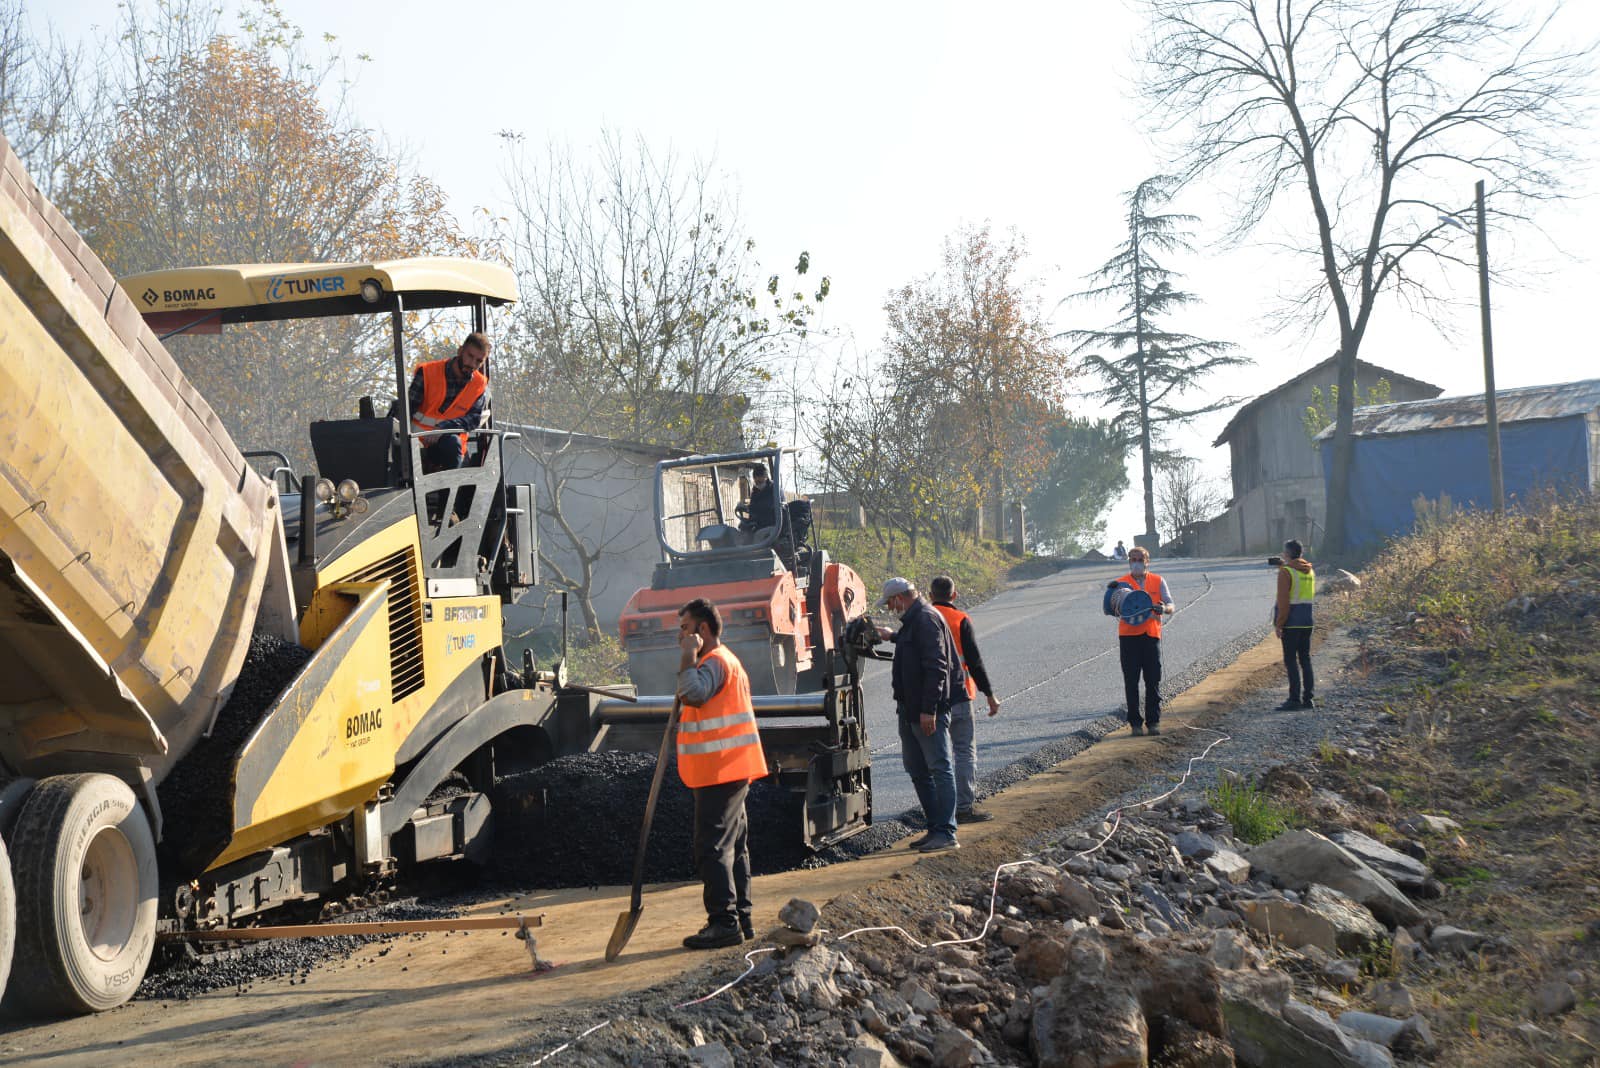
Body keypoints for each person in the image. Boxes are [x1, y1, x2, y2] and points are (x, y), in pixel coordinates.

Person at [675, 597, 768, 949]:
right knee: (735, 846)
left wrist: (688, 656)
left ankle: (723, 922)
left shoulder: (714, 662)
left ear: (702, 630)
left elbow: (694, 695)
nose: (680, 636)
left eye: (684, 629)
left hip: (720, 770)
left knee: (712, 847)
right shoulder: (724, 660)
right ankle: (741, 918)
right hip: (729, 767)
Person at [875, 577, 964, 852]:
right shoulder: (915, 622)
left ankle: (947, 832)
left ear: (900, 598)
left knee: (939, 767)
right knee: (917, 769)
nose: (891, 609)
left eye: (891, 603)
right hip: (909, 709)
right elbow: (913, 645)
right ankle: (935, 827)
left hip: (925, 711)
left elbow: (937, 667)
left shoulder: (925, 619)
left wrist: (929, 710)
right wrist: (892, 636)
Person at [928, 575, 1002, 824]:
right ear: (954, 595)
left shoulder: (922, 619)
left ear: (930, 595)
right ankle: (964, 807)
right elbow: (974, 661)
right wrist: (989, 694)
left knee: (937, 757)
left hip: (930, 700)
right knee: (963, 752)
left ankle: (940, 810)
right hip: (960, 696)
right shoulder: (960, 620)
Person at [1108, 546, 1174, 736]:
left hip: (1151, 636)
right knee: (1131, 681)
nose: (1136, 562)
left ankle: (1153, 722)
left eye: (1140, 559)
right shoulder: (1120, 584)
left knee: (1153, 679)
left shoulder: (1158, 581)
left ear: (1147, 561)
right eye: (1133, 559)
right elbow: (1110, 607)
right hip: (1129, 638)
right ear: (1129, 561)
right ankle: (1135, 723)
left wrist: (1165, 608)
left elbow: (1170, 604)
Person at [408, 332, 490, 473]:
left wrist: (443, 429)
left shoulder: (478, 384)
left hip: (452, 448)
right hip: (418, 443)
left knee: (452, 444)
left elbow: (474, 419)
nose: (472, 364)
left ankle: (450, 493)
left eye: (478, 361)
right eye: (470, 356)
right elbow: (407, 410)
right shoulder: (428, 373)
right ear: (460, 351)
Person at [1273, 539, 1316, 711]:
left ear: (1288, 554)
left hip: (1291, 623)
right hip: (1307, 621)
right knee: (1305, 659)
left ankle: (1294, 699)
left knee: (1291, 661)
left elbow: (1284, 602)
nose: (1282, 554)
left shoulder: (1286, 572)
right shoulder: (1309, 571)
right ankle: (1308, 699)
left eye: (1284, 552)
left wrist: (1279, 624)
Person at [738, 463, 781, 539]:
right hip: (759, 523)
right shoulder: (755, 492)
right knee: (742, 528)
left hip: (773, 524)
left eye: (760, 482)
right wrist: (744, 508)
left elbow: (767, 506)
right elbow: (753, 509)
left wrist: (749, 507)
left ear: (766, 477)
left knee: (756, 535)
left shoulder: (774, 489)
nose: (758, 484)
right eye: (756, 482)